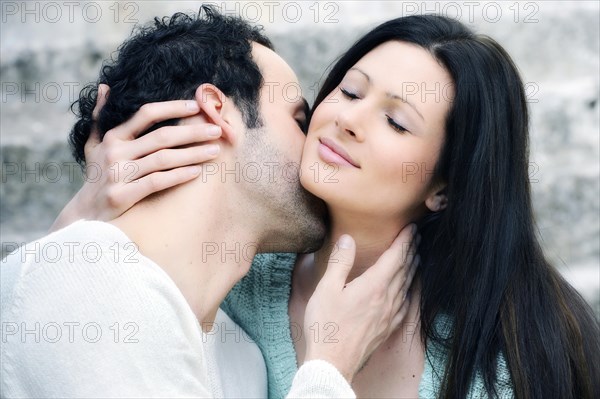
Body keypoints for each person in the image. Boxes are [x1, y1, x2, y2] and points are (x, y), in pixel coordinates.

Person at [50, 13, 600, 399]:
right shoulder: (234, 282)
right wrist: (85, 215)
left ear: (445, 188)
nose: (347, 119)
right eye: (351, 91)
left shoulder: (517, 342)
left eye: (396, 121)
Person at [0, 8, 419, 398]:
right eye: (298, 121)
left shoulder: (242, 360)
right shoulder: (86, 281)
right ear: (217, 110)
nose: (319, 144)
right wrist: (329, 365)